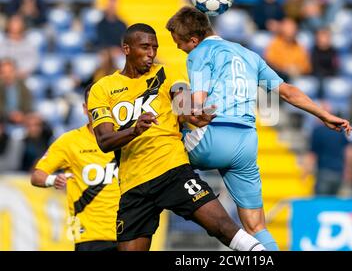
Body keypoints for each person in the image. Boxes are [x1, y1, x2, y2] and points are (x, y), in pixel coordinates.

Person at [166, 6, 352, 250]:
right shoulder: (249, 55)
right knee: (256, 226)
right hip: (245, 143)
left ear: (193, 39)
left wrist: (177, 103)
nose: (179, 48)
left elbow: (198, 106)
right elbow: (287, 92)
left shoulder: (199, 54)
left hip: (213, 139)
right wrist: (324, 114)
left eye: (179, 43)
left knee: (162, 140)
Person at [88, 23, 265, 251]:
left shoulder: (167, 72)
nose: (151, 53)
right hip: (134, 184)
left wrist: (195, 114)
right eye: (145, 47)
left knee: (222, 226)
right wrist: (134, 130)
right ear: (127, 48)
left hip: (172, 171)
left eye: (154, 47)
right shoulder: (103, 88)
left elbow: (182, 99)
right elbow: (104, 141)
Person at [30, 84, 120, 251]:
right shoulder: (69, 142)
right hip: (89, 234)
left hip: (128, 231)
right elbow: (37, 175)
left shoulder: (126, 138)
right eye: (95, 106)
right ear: (85, 109)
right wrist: (52, 179)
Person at [264, 17, 311, 83]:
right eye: (288, 28)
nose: (291, 31)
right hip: (279, 76)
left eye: (293, 28)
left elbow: (306, 65)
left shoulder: (299, 46)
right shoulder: (274, 44)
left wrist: (299, 69)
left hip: (296, 77)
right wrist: (285, 68)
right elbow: (270, 61)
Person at [0, 59, 33, 125]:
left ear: (15, 72)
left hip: (22, 118)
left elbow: (28, 104)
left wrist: (22, 115)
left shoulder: (22, 85)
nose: (7, 75)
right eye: (3, 72)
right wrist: (10, 115)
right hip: (3, 120)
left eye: (10, 71)